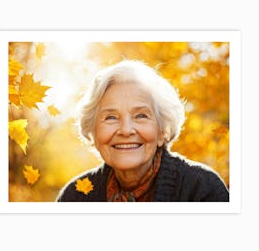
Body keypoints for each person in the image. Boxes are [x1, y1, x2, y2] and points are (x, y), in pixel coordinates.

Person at [57, 60, 229, 202]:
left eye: (140, 115)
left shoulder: (202, 189)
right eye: (111, 117)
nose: (125, 130)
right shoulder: (75, 196)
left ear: (162, 131)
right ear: (94, 132)